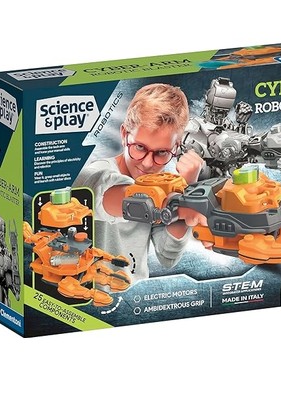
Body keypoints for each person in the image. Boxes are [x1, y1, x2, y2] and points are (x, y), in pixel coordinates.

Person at [73, 83, 205, 283]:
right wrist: (182, 201)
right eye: (140, 147)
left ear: (176, 148)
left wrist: (186, 188)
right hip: (91, 296)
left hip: (137, 293)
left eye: (162, 152)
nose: (148, 163)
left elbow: (167, 255)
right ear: (124, 134)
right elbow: (96, 190)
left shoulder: (165, 185)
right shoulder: (97, 172)